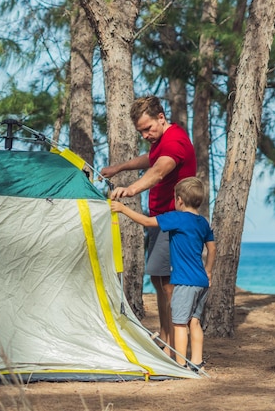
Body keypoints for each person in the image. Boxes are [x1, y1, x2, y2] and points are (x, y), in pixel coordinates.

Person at [100, 95, 196, 355]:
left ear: (161, 118)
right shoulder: (162, 141)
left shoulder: (175, 140)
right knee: (159, 280)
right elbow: (151, 159)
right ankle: (166, 340)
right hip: (160, 221)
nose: (144, 134)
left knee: (169, 287)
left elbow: (160, 169)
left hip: (173, 223)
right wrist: (119, 168)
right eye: (140, 131)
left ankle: (174, 347)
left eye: (147, 128)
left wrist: (131, 189)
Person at [110, 177, 216, 372]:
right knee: (195, 322)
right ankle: (198, 362)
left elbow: (147, 221)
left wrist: (123, 209)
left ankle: (180, 364)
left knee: (179, 324)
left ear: (180, 200)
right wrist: (208, 270)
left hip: (184, 283)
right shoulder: (202, 222)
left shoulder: (175, 218)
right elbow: (212, 247)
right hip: (201, 281)